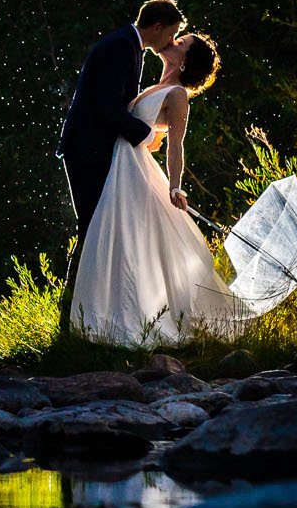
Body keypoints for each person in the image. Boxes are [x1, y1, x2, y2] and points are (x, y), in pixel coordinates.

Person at [64, 26, 256, 346]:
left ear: (184, 61)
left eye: (181, 43)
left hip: (135, 174)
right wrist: (148, 135)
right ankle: (103, 315)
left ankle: (128, 319)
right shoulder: (153, 85)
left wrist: (176, 186)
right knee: (114, 239)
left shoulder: (177, 95)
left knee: (128, 242)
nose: (173, 41)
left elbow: (176, 146)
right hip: (122, 166)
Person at [56, 0, 190, 241]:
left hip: (97, 147)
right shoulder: (121, 46)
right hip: (88, 147)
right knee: (93, 225)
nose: (171, 42)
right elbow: (106, 105)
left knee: (100, 226)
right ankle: (81, 279)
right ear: (157, 27)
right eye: (171, 34)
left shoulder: (130, 46)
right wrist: (146, 134)